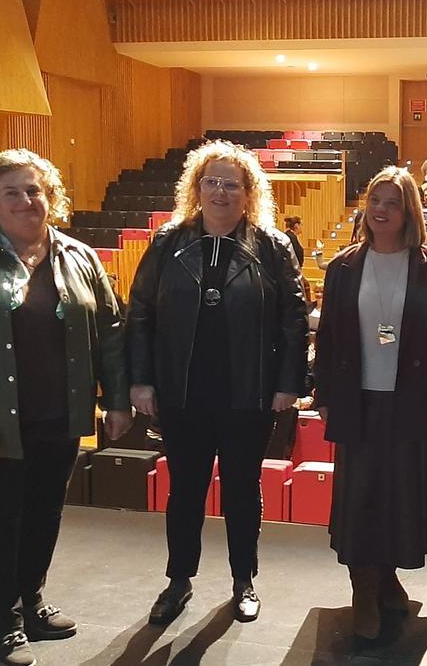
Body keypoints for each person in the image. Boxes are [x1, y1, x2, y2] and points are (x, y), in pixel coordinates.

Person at [0, 150, 132, 666]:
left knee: (43, 516)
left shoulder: (80, 257)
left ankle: (33, 602)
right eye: (11, 192)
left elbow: (110, 332)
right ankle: (6, 624)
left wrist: (118, 399)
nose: (25, 200)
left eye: (34, 190)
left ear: (50, 197)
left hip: (58, 420)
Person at [126, 140, 307, 626]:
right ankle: (178, 580)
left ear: (249, 193)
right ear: (197, 188)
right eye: (212, 182)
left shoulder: (273, 247)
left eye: (232, 183)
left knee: (243, 490)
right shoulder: (168, 243)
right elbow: (140, 313)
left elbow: (294, 320)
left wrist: (289, 383)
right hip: (182, 392)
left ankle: (243, 580)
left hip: (248, 393)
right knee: (184, 490)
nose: (221, 191)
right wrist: (140, 381)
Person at [312, 166, 427, 640]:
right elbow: (331, 339)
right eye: (375, 200)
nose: (380, 210)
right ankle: (363, 587)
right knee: (362, 497)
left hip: (413, 402)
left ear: (409, 212)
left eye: (392, 203)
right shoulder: (342, 267)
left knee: (402, 496)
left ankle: (388, 576)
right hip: (359, 401)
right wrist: (324, 396)